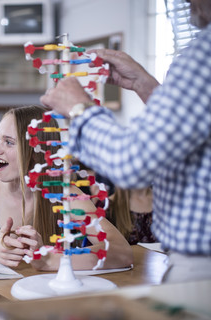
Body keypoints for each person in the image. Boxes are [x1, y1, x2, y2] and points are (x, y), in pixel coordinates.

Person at [39, 0, 211, 283]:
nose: (187, 2)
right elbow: (189, 128)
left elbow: (132, 163)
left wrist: (80, 109)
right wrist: (146, 85)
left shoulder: (203, 54)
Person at [0, 105, 132, 271]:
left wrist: (49, 260)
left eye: (9, 142)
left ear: (36, 153)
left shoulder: (65, 193)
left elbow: (121, 251)